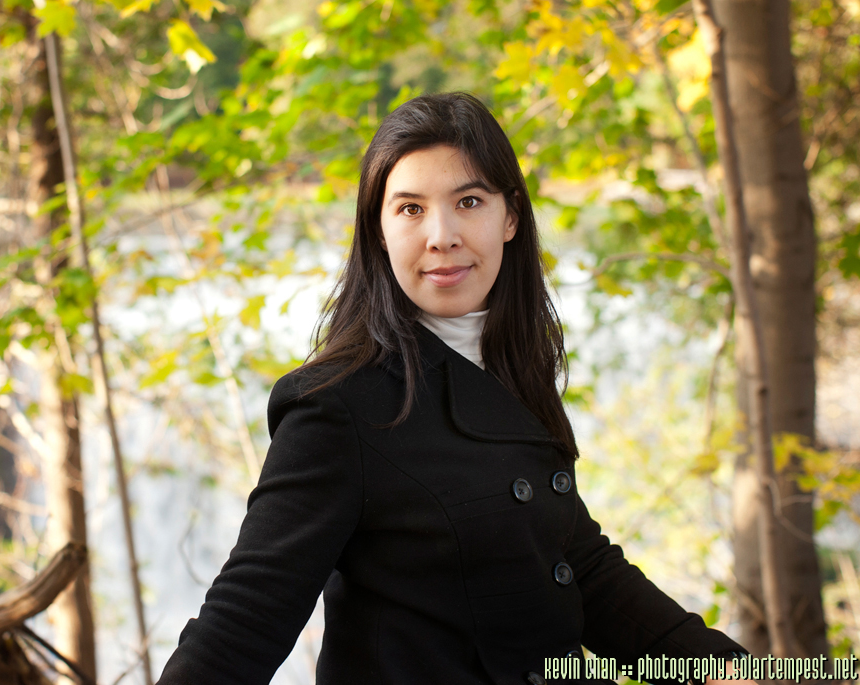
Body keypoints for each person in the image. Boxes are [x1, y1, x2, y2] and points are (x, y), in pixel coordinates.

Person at [157, 92, 750, 685]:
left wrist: (739, 671)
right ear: (379, 230)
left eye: (468, 202)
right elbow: (244, 621)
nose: (441, 235)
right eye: (410, 209)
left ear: (510, 217)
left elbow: (576, 563)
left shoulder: (512, 364)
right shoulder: (337, 408)